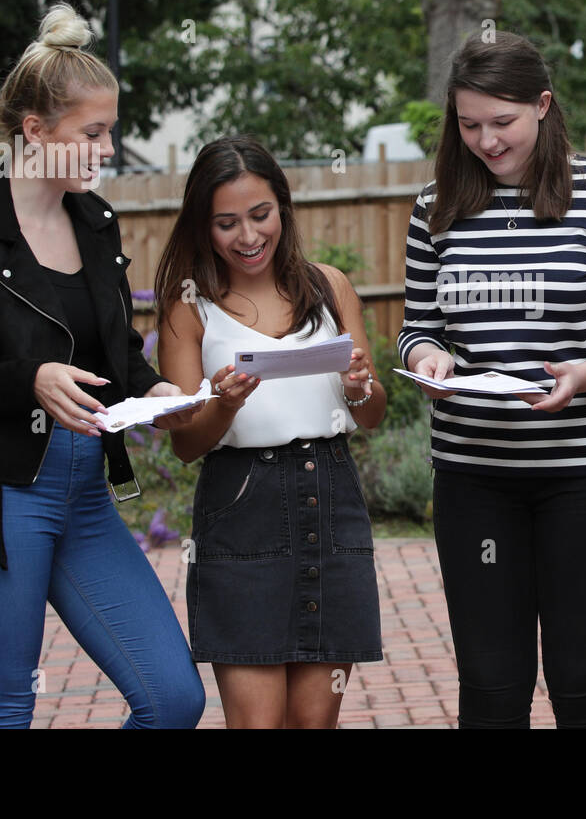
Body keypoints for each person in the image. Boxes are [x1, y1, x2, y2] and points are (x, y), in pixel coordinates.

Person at [0, 3, 206, 728]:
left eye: (109, 131)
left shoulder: (96, 225)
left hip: (84, 498)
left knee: (172, 697)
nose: (106, 148)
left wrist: (155, 390)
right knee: (4, 710)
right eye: (92, 133)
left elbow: (116, 354)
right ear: (34, 132)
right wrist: (27, 379)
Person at [398, 31, 586, 729]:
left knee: (583, 687)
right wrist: (427, 360)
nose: (486, 140)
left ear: (543, 106)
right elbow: (418, 325)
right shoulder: (435, 206)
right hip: (473, 478)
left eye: (503, 121)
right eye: (469, 124)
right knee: (490, 689)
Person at [155, 136, 385, 729]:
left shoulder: (328, 286)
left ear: (282, 206)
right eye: (227, 223)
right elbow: (184, 444)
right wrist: (224, 405)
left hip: (331, 498)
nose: (249, 237)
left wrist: (359, 386)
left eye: (260, 215)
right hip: (241, 511)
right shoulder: (190, 306)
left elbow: (372, 412)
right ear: (203, 227)